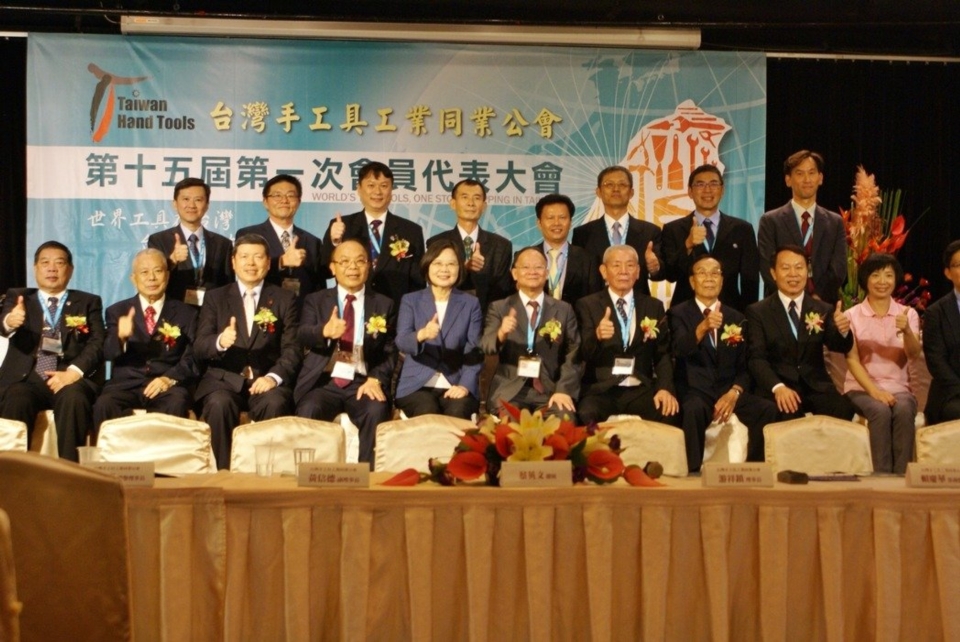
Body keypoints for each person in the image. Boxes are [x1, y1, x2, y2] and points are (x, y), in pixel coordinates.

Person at [193, 234, 301, 469]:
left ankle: (268, 474)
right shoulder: (215, 297)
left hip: (265, 380)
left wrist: (273, 378)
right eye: (244, 257)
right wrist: (220, 341)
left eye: (258, 257)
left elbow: (292, 349)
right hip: (223, 380)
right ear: (233, 262)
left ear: (268, 263)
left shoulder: (285, 298)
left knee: (275, 402)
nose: (251, 263)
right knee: (219, 403)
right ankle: (224, 474)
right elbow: (200, 345)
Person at [668, 256, 777, 470]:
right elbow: (678, 350)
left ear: (722, 280)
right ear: (692, 282)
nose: (709, 278)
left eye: (715, 272)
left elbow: (746, 364)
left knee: (767, 410)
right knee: (693, 409)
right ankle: (691, 472)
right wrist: (703, 328)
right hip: (696, 390)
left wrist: (734, 392)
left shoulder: (737, 317)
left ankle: (756, 470)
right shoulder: (678, 313)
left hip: (727, 390)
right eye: (702, 272)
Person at [295, 240, 397, 466]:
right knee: (308, 409)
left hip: (362, 380)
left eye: (360, 261)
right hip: (325, 381)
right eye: (345, 261)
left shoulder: (383, 304)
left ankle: (367, 481)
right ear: (332, 267)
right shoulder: (316, 300)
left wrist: (375, 378)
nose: (353, 267)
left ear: (369, 266)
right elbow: (302, 334)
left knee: (375, 409)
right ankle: (308, 476)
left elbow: (390, 350)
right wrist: (324, 331)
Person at [0, 241, 105, 460]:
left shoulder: (87, 301)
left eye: (59, 263)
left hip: (68, 377)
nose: (52, 268)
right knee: (17, 398)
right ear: (35, 268)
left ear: (70, 269)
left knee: (74, 399)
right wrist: (11, 320)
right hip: (27, 379)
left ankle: (70, 474)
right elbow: (4, 322)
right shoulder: (19, 297)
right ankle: (11, 474)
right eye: (45, 263)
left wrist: (73, 373)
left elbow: (97, 341)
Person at [93, 249, 199, 431]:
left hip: (166, 383)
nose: (152, 278)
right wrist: (120, 336)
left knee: (177, 401)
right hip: (125, 384)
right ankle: (113, 459)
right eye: (144, 272)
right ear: (133, 278)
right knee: (104, 404)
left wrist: (169, 378)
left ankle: (167, 459)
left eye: (157, 271)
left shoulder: (186, 313)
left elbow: (193, 356)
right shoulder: (117, 311)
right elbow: (108, 353)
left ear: (167, 275)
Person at [747, 245, 854, 420]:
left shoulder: (822, 308)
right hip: (781, 386)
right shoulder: (758, 312)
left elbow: (839, 346)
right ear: (773, 273)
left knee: (842, 409)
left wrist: (843, 331)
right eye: (785, 268)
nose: (793, 274)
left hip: (816, 387)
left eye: (799, 267)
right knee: (787, 413)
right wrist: (777, 387)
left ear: (807, 271)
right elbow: (756, 358)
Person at [576, 245, 679, 424]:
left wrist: (664, 388)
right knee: (586, 414)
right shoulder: (587, 305)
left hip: (640, 387)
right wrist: (597, 336)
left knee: (670, 413)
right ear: (603, 271)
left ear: (638, 271)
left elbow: (663, 353)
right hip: (603, 390)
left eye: (630, 265)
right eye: (616, 265)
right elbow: (582, 353)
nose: (623, 271)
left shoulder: (653, 306)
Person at [481, 247, 580, 419]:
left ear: (547, 272)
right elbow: (486, 346)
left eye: (539, 267)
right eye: (525, 267)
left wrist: (563, 390)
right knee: (509, 430)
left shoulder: (563, 309)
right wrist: (501, 334)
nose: (532, 272)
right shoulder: (499, 307)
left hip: (550, 390)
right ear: (514, 274)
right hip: (510, 391)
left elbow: (574, 354)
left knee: (564, 423)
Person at [843, 253, 920, 473]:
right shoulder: (852, 315)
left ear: (895, 279)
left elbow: (914, 354)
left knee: (904, 409)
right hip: (861, 389)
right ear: (865, 280)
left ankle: (902, 477)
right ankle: (882, 478)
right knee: (880, 411)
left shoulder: (908, 314)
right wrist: (875, 392)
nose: (882, 281)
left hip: (899, 389)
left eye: (888, 275)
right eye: (875, 275)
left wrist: (906, 331)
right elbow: (852, 360)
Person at [395, 239, 483, 419]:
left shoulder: (470, 303)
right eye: (438, 263)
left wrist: (465, 386)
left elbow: (474, 350)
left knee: (457, 411)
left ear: (460, 269)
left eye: (451, 264)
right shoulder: (411, 300)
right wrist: (422, 334)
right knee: (427, 410)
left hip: (455, 382)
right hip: (416, 384)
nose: (444, 270)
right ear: (427, 266)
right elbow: (402, 341)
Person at [323, 161, 425, 308]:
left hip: (396, 311)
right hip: (350, 309)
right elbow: (324, 271)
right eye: (371, 185)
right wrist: (334, 243)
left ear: (391, 190)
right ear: (358, 189)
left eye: (384, 186)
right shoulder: (342, 226)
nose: (377, 192)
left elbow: (418, 282)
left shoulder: (411, 230)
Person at [661, 164, 760, 311]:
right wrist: (687, 245)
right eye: (700, 184)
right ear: (690, 191)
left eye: (713, 184)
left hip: (730, 313)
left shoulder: (742, 229)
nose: (707, 190)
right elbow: (670, 275)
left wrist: (748, 318)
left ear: (723, 190)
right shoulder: (673, 229)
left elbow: (750, 280)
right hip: (684, 315)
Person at [758, 150, 846, 303]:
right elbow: (767, 267)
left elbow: (838, 268)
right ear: (788, 180)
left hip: (823, 304)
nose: (807, 179)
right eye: (799, 173)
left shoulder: (835, 222)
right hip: (781, 305)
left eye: (812, 173)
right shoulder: (771, 220)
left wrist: (816, 298)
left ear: (820, 178)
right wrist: (792, 299)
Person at [571, 165, 664, 296]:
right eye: (609, 185)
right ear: (598, 192)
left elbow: (660, 274)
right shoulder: (583, 233)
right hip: (594, 306)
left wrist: (654, 267)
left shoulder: (650, 231)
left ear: (631, 192)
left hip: (638, 305)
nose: (616, 189)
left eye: (622, 184)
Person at [426, 179, 513, 316]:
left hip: (487, 319)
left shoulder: (501, 245)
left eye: (477, 198)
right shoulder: (436, 243)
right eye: (464, 197)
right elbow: (434, 286)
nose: (471, 203)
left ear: (484, 206)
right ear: (453, 203)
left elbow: (501, 292)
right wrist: (463, 269)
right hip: (446, 317)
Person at [147, 177, 234, 306]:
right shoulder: (158, 240)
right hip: (174, 311)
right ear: (175, 203)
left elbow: (228, 285)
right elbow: (152, 278)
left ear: (207, 205)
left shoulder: (223, 244)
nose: (192, 205)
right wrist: (172, 260)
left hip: (210, 314)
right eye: (186, 199)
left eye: (198, 200)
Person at [236, 174, 326, 298]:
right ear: (265, 202)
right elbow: (244, 272)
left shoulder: (312, 241)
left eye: (290, 195)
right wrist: (281, 262)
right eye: (277, 195)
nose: (284, 200)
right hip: (263, 308)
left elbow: (319, 285)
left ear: (299, 202)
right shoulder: (248, 235)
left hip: (302, 311)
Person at [534, 193, 602, 306]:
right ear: (539, 223)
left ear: (570, 222)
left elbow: (594, 300)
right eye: (550, 218)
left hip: (576, 322)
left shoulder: (588, 259)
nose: (556, 223)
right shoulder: (526, 257)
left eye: (562, 218)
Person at [923, 240, 960, 424]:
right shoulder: (936, 313)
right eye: (959, 265)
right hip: (950, 394)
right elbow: (936, 362)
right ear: (948, 273)